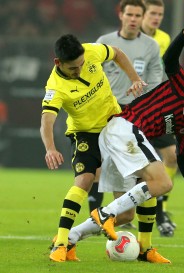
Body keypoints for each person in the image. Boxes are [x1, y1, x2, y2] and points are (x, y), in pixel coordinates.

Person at [68, 9, 184, 264]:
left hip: (128, 138)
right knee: (163, 183)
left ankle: (69, 238)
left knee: (126, 216)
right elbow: (170, 61)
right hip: (124, 126)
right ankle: (107, 216)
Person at [40, 33, 146, 262]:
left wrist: (134, 78)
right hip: (85, 133)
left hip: (115, 126)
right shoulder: (55, 87)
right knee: (85, 180)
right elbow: (46, 121)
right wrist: (50, 148)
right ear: (58, 63)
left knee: (128, 211)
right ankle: (60, 242)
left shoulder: (91, 51)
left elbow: (117, 53)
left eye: (81, 65)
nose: (78, 70)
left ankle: (74, 236)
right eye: (72, 68)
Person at [88, 0, 167, 262]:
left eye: (137, 15)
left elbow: (157, 81)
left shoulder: (151, 46)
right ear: (121, 15)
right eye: (129, 14)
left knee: (150, 182)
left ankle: (146, 246)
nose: (133, 19)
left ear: (142, 18)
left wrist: (146, 99)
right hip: (111, 118)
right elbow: (92, 78)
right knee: (124, 206)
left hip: (139, 118)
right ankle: (73, 232)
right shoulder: (105, 41)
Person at [141, 0, 177, 237]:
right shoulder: (130, 38)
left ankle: (161, 209)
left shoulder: (163, 38)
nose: (157, 18)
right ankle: (120, 212)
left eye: (160, 14)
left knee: (172, 158)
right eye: (153, 13)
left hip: (158, 107)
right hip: (133, 108)